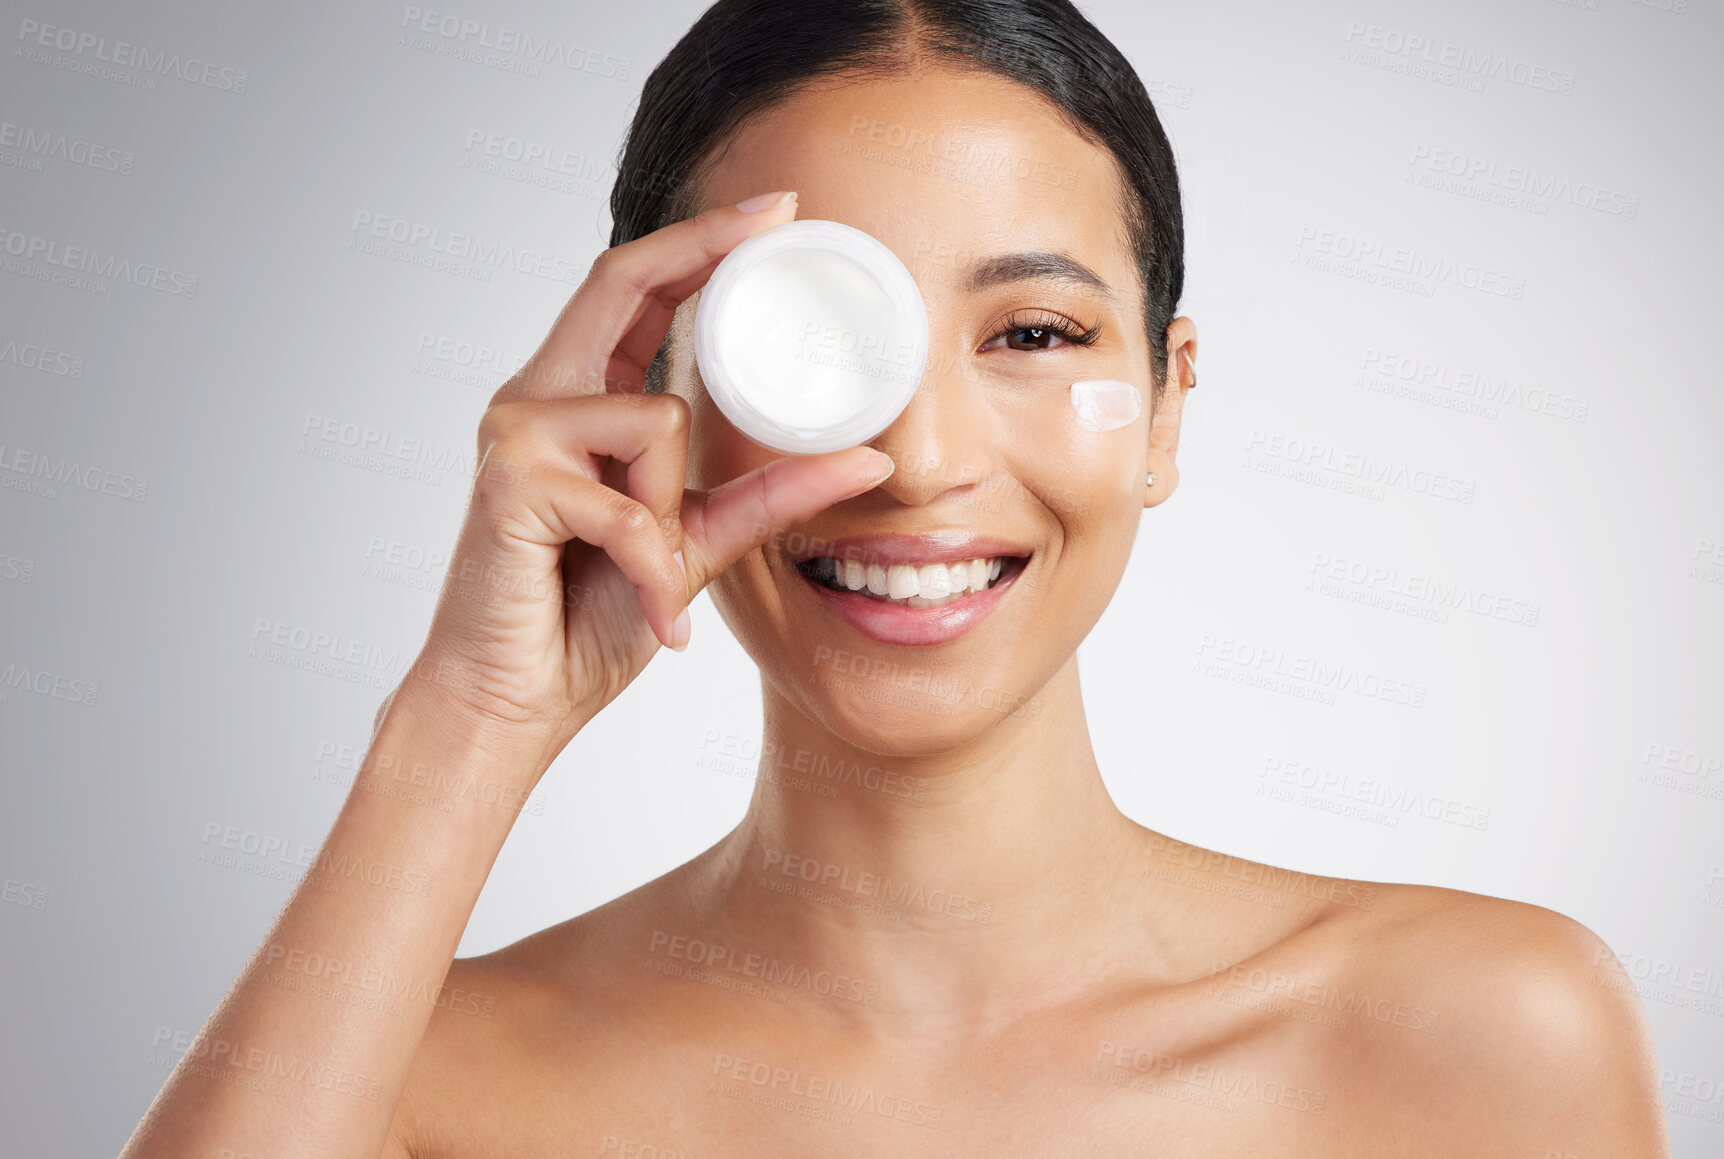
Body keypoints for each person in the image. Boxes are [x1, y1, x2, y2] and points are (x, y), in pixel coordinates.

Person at [120, 1, 1670, 1154]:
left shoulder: (1474, 1037)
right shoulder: (413, 1083)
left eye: (1036, 335)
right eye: (809, 340)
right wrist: (465, 723)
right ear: (649, 382)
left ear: (1170, 401)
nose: (921, 460)